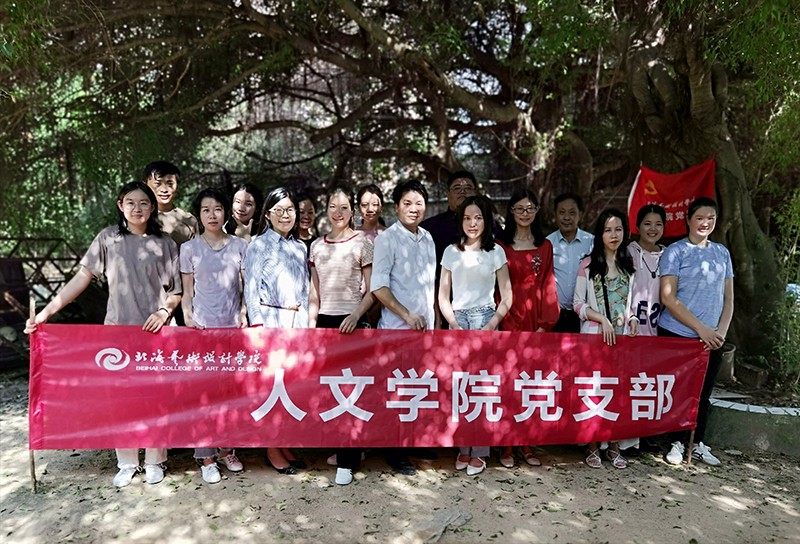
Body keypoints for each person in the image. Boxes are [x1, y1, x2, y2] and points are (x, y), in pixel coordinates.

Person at [25, 181, 181, 488]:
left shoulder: (164, 243)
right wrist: (45, 313)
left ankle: (155, 460)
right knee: (121, 399)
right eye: (131, 202)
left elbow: (176, 290)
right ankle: (127, 462)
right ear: (120, 205)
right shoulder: (108, 238)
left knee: (154, 397)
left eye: (144, 203)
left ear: (152, 208)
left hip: (155, 333)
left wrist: (164, 312)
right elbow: (82, 278)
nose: (137, 208)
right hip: (117, 333)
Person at [438, 195, 512, 476]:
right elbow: (443, 295)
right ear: (460, 221)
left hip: (485, 318)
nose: (472, 223)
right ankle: (463, 447)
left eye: (478, 218)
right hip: (457, 320)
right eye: (467, 218)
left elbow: (507, 296)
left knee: (482, 386)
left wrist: (491, 324)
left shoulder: (496, 252)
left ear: (486, 220)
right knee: (460, 387)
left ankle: (480, 451)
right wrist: (453, 323)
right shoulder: (451, 252)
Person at [181, 187, 249, 483]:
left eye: (218, 209)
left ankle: (227, 449)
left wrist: (244, 313)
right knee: (204, 394)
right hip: (202, 330)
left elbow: (245, 287)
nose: (212, 215)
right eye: (206, 210)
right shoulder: (189, 249)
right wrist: (187, 316)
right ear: (198, 214)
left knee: (230, 393)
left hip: (232, 329)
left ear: (226, 212)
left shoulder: (240, 246)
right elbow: (187, 292)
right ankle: (206, 457)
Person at [659, 197, 733, 467]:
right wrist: (701, 329)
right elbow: (668, 297)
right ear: (688, 219)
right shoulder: (675, 251)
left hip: (712, 339)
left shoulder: (722, 253)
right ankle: (676, 442)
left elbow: (729, 298)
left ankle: (698, 442)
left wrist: (719, 332)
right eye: (700, 217)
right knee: (678, 390)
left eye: (710, 218)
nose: (705, 223)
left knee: (704, 393)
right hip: (678, 333)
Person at [308, 187, 375, 485]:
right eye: (333, 206)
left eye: (344, 207)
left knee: (351, 391)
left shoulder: (362, 242)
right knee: (330, 391)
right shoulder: (316, 246)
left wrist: (356, 316)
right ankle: (343, 449)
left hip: (352, 323)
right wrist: (312, 326)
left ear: (353, 211)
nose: (338, 212)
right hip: (325, 323)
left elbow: (372, 290)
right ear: (327, 209)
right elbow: (314, 292)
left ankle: (347, 462)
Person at [371, 179, 437, 476]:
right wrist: (407, 315)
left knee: (419, 387)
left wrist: (433, 324)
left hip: (425, 330)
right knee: (397, 391)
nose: (413, 208)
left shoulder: (428, 238)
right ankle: (395, 452)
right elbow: (379, 287)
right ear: (396, 207)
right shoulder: (387, 239)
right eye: (407, 203)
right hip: (396, 329)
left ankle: (414, 442)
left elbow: (430, 287)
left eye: (419, 203)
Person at [243, 186, 309, 474]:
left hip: (296, 323)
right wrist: (258, 326)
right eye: (279, 210)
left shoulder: (300, 247)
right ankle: (271, 447)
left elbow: (305, 290)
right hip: (270, 321)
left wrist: (305, 328)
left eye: (290, 210)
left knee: (289, 386)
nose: (285, 215)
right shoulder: (258, 245)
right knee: (271, 386)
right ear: (267, 214)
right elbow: (250, 289)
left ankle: (283, 441)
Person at [496, 189, 559, 468]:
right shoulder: (500, 245)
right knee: (508, 381)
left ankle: (527, 442)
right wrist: (504, 320)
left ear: (537, 211)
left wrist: (545, 325)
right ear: (511, 211)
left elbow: (548, 284)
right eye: (519, 208)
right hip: (508, 318)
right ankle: (506, 445)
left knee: (531, 381)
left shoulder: (545, 246)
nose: (525, 213)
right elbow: (497, 287)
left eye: (530, 208)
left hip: (535, 321)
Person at [573, 208, 638, 469]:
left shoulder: (628, 267)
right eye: (608, 230)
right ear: (600, 234)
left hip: (621, 340)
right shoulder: (588, 265)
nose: (614, 235)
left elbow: (630, 304)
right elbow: (578, 303)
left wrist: (633, 319)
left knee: (618, 391)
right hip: (593, 339)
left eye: (618, 229)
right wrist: (601, 319)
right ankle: (592, 445)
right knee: (594, 390)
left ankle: (614, 445)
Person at [547, 193, 594, 333]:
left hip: (585, 315)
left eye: (572, 213)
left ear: (580, 215)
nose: (566, 217)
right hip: (555, 314)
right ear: (555, 215)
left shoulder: (591, 243)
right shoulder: (547, 244)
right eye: (562, 212)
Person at [629, 205, 666, 337]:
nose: (653, 228)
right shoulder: (628, 253)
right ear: (637, 227)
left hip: (660, 330)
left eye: (658, 224)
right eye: (647, 224)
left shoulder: (669, 256)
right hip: (631, 329)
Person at [143, 161, 198, 247]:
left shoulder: (188, 220)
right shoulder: (138, 217)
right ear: (145, 185)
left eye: (170, 184)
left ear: (178, 185)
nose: (164, 190)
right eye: (157, 184)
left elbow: (195, 253)